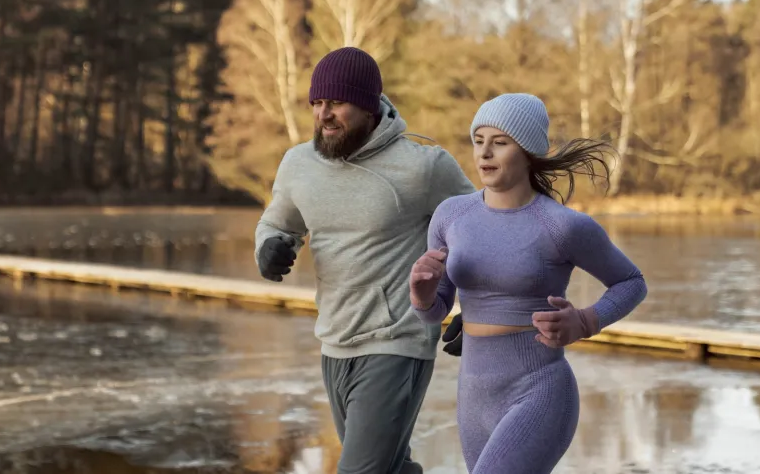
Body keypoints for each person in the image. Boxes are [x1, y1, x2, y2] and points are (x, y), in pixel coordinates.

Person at [255, 46, 477, 473]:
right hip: (334, 340)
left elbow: (484, 233)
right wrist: (269, 249)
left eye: (336, 102)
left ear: (370, 105)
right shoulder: (298, 164)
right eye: (317, 103)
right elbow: (277, 223)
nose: (324, 114)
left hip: (398, 340)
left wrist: (483, 304)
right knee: (389, 468)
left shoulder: (423, 167)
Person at [409, 93, 648, 474]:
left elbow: (631, 282)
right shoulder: (451, 216)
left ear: (527, 151)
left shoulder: (562, 225)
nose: (484, 153)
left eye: (500, 143)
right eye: (478, 140)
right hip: (474, 394)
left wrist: (585, 321)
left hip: (540, 389)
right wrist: (421, 295)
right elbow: (435, 309)